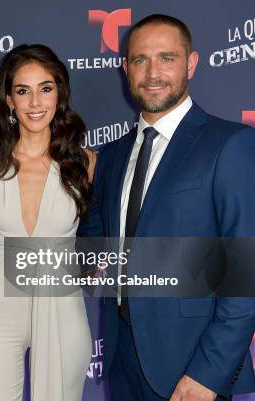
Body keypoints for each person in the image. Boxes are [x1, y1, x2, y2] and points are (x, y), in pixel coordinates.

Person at [78, 14, 255, 401]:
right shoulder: (110, 157)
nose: (152, 72)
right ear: (125, 68)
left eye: (167, 58)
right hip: (123, 361)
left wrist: (209, 373)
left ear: (191, 63)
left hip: (191, 368)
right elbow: (90, 249)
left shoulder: (231, 145)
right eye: (140, 60)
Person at [0, 44, 94, 401]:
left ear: (60, 94)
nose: (35, 102)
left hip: (63, 308)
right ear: (9, 100)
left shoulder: (84, 163)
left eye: (46, 88)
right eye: (23, 91)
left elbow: (96, 239)